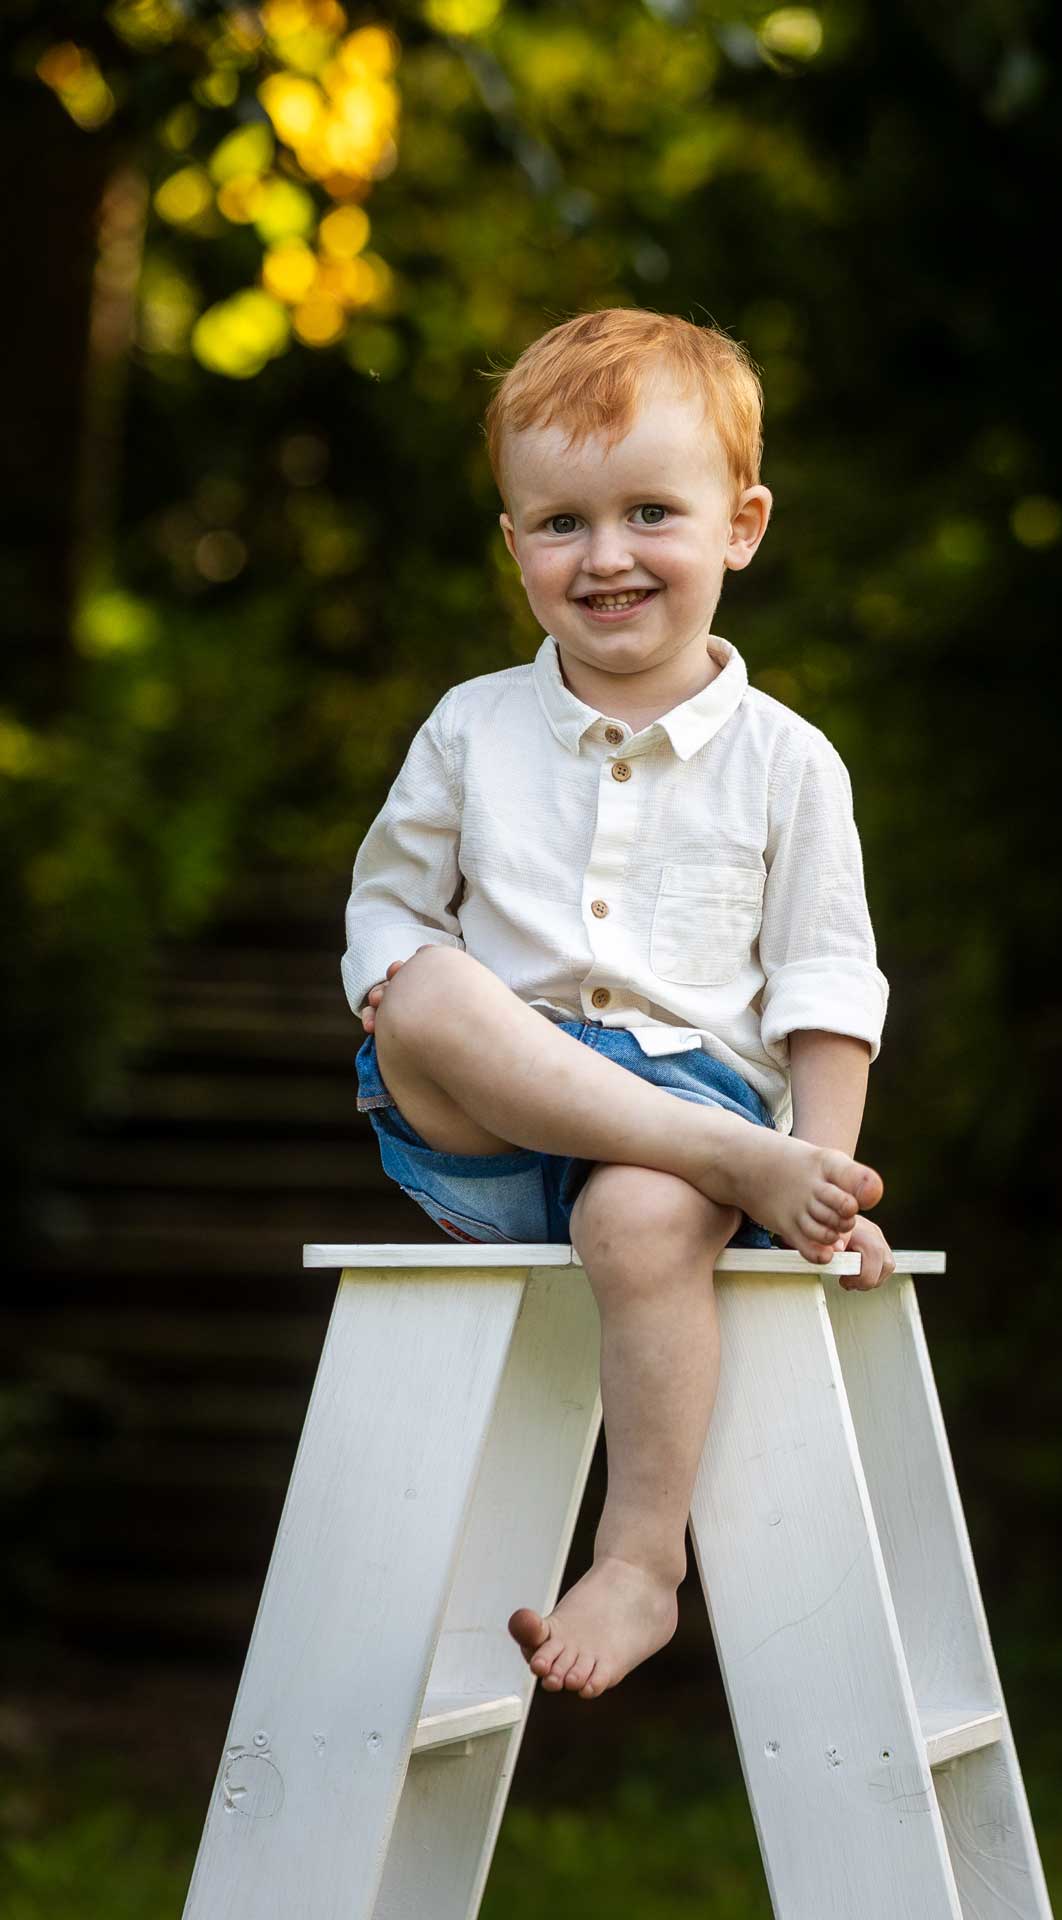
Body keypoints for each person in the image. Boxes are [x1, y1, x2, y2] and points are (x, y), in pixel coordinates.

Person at [342, 306, 893, 1704]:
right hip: (487, 1130)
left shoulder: (788, 764)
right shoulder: (471, 727)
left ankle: (641, 1562)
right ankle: (723, 1164)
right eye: (559, 522)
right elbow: (390, 914)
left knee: (641, 1212)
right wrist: (400, 990)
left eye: (652, 510)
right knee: (424, 983)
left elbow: (828, 983)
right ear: (513, 540)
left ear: (742, 525)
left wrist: (818, 1178)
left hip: (680, 1120)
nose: (605, 557)